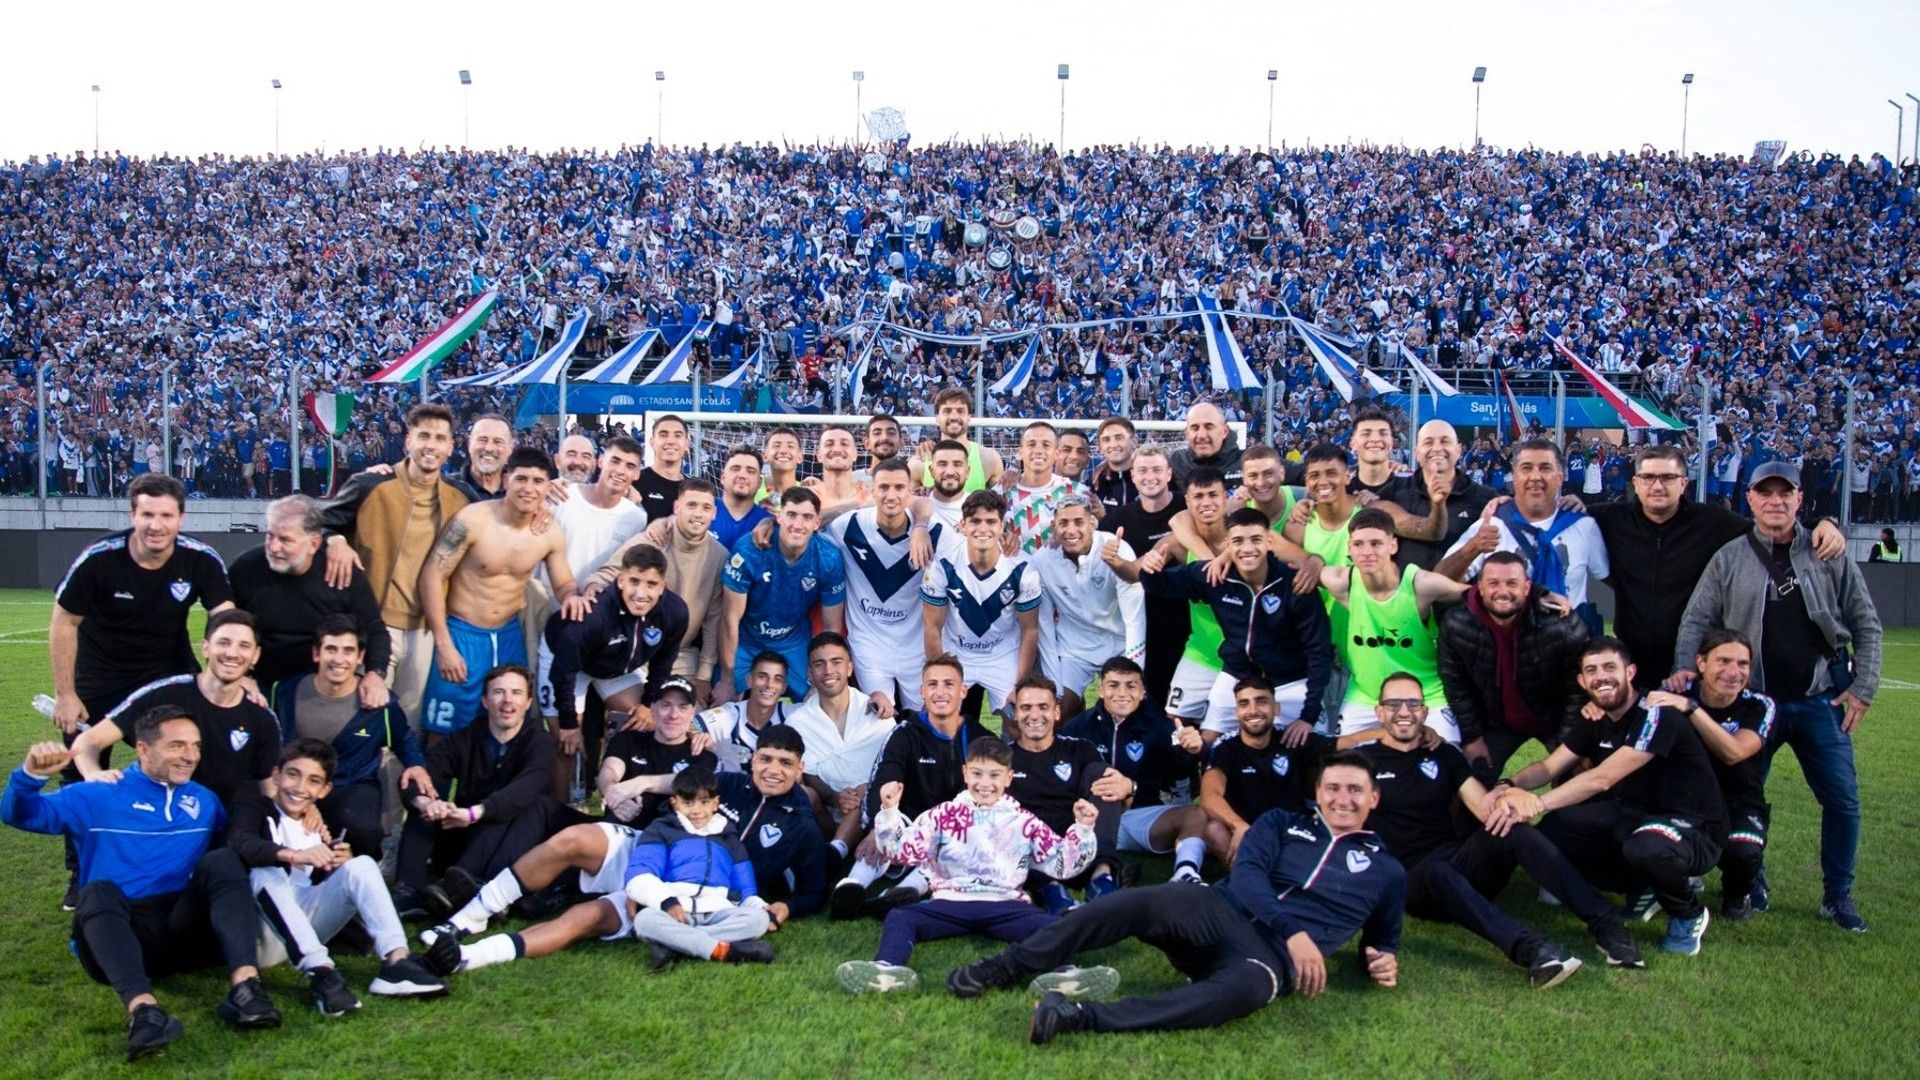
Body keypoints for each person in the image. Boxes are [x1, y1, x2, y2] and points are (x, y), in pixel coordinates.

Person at [945, 752, 1403, 1043]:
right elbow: (1246, 879)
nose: (1342, 799)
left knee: (1245, 990)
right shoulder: (1282, 822)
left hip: (1265, 960)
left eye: (1354, 790)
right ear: (1319, 793)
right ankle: (1000, 969)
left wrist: (1379, 960)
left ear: (1375, 798)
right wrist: (1296, 930)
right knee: (1135, 902)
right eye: (1333, 788)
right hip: (1217, 912)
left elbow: (1381, 941)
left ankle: (1078, 1017)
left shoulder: (1387, 871)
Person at [1669, 461, 1881, 932]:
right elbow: (1696, 620)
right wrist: (1687, 672)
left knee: (1843, 800)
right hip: (1752, 704)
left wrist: (1862, 688)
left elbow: (1866, 624)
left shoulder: (1829, 552)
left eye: (1784, 492)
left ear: (1800, 499)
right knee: (1743, 796)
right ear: (1751, 499)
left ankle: (1837, 895)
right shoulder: (1729, 557)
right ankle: (1750, 880)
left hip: (1819, 700)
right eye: (1765, 492)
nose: (1775, 501)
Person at [3, 708, 281, 1059]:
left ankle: (246, 990)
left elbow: (240, 846)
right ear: (143, 750)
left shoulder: (203, 800)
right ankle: (144, 1012)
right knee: (96, 892)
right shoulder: (99, 794)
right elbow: (19, 814)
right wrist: (28, 775)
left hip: (183, 933)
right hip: (120, 940)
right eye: (177, 745)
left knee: (223, 860)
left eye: (195, 746)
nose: (190, 755)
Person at [426, 726, 820, 962]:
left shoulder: (801, 822)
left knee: (582, 921)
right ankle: (468, 917)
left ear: (800, 768)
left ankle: (467, 957)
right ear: (753, 760)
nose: (773, 770)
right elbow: (674, 783)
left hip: (699, 895)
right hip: (652, 855)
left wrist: (787, 906)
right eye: (766, 759)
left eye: (785, 763)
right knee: (573, 838)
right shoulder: (730, 783)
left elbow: (816, 886)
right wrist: (640, 783)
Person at [1356, 672, 1640, 985]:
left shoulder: (1444, 753)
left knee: (1511, 828)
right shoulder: (1361, 763)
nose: (1404, 711)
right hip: (1411, 881)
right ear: (1379, 712)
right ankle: (1535, 951)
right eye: (1394, 704)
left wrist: (1512, 801)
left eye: (1413, 703)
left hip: (1456, 860)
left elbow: (1482, 807)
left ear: (1425, 711)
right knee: (1437, 872)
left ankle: (1606, 924)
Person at [49, 472, 235, 906]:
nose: (157, 525)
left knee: (192, 760)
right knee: (81, 771)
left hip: (167, 677)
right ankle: (81, 873)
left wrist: (236, 678)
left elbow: (226, 618)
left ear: (181, 517)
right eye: (147, 514)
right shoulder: (99, 560)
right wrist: (66, 694)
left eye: (166, 515)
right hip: (98, 681)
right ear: (132, 515)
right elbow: (64, 622)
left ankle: (191, 858)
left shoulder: (200, 560)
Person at [1486, 638, 1726, 957]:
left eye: (1610, 668)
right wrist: (1509, 783)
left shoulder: (1656, 714)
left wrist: (1537, 803)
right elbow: (1549, 765)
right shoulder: (1595, 716)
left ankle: (1688, 913)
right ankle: (1643, 886)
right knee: (1550, 834)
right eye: (1592, 671)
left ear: (1630, 672)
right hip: (1631, 815)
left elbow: (1603, 778)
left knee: (1646, 847)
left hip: (1693, 825)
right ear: (1582, 681)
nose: (1601, 677)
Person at [835, 736, 1102, 995]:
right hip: (951, 902)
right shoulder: (942, 814)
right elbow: (903, 851)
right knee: (900, 916)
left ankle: (1066, 974)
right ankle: (887, 968)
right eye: (977, 774)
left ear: (1009, 777)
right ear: (965, 773)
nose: (985, 783)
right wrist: (890, 812)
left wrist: (1083, 828)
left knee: (1053, 927)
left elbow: (1061, 863)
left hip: (1006, 905)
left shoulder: (1023, 821)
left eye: (994, 775)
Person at [1586, 444, 1844, 691]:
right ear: (1636, 483)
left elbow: (1770, 531)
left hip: (1695, 667)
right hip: (1633, 664)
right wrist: (1571, 506)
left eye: (1667, 477)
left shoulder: (1712, 522)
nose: (1657, 485)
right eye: (1648, 477)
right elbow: (1555, 519)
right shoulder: (1611, 518)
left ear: (1684, 483)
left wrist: (1824, 522)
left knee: (1696, 736)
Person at [227, 740, 448, 1015]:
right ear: (276, 775)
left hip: (306, 924)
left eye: (313, 781)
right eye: (293, 774)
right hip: (262, 933)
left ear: (324, 790)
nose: (299, 788)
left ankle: (397, 961)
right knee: (267, 872)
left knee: (362, 864)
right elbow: (241, 842)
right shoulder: (256, 808)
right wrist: (295, 855)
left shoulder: (317, 824)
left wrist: (337, 863)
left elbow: (319, 881)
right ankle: (322, 974)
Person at [418, 447, 591, 735]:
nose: (529, 488)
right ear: (506, 480)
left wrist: (572, 597)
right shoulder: (473, 519)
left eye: (538, 482)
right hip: (462, 633)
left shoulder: (549, 531)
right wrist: (444, 643)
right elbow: (432, 576)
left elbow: (563, 582)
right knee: (443, 729)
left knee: (508, 725)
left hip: (509, 634)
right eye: (521, 479)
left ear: (548, 486)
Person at [320, 402, 470, 722]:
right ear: (408, 441)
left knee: (407, 725)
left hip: (424, 629)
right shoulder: (369, 485)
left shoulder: (461, 497)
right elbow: (319, 524)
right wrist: (334, 539)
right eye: (424, 436)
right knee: (362, 719)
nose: (431, 445)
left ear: (450, 447)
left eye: (440, 438)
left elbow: (502, 512)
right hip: (373, 624)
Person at [1135, 507, 1333, 741]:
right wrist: (1150, 569)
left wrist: (1308, 716)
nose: (1247, 549)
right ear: (1228, 544)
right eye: (1238, 541)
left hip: (1290, 679)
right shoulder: (1217, 575)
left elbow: (1319, 651)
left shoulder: (1294, 584)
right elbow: (1160, 585)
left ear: (1269, 541)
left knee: (1312, 749)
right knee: (1207, 743)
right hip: (1237, 675)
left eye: (1256, 540)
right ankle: (1192, 777)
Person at [393, 664, 562, 921]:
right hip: (462, 836)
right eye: (498, 692)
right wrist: (426, 802)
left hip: (511, 841)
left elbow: (527, 786)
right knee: (425, 805)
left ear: (528, 702)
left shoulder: (539, 741)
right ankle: (408, 892)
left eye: (516, 693)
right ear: (485, 700)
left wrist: (475, 813)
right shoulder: (465, 737)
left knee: (523, 804)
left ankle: (465, 889)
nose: (507, 701)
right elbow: (421, 775)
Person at [834, 655, 998, 917]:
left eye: (949, 684)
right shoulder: (905, 733)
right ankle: (850, 887)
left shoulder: (981, 739)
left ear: (963, 691)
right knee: (886, 828)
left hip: (951, 829)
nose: (940, 692)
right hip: (909, 823)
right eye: (932, 685)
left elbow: (991, 798)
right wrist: (876, 828)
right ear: (922, 692)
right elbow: (883, 780)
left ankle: (903, 892)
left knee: (961, 837)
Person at [71, 610, 281, 812]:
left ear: (255, 655)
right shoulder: (164, 694)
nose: (232, 653)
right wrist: (92, 773)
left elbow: (270, 790)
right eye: (223, 643)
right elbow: (88, 741)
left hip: (221, 828)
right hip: (160, 822)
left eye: (244, 646)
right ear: (206, 648)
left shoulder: (262, 718)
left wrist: (304, 812)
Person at [271, 616, 432, 857]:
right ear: (316, 653)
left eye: (348, 651)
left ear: (359, 657)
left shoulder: (380, 703)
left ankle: (358, 865)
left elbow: (403, 738)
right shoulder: (284, 692)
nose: (339, 659)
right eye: (331, 649)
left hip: (350, 785)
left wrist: (416, 764)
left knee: (362, 827)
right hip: (296, 783)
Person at [527, 435, 648, 743]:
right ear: (601, 462)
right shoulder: (561, 498)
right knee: (558, 731)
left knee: (635, 717)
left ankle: (605, 784)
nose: (620, 470)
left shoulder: (636, 517)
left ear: (637, 474)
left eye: (630, 465)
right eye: (615, 461)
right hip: (552, 624)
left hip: (603, 634)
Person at [1648, 629, 1776, 920]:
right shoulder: (1675, 694)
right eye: (1723, 661)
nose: (1733, 672)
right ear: (1701, 663)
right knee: (1654, 843)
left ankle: (1737, 892)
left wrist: (1691, 709)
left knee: (1744, 853)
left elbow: (1733, 752)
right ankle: (1679, 883)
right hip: (1685, 801)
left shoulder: (1760, 704)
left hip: (1739, 801)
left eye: (1742, 664)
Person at [1436, 551, 1588, 784]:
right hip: (1496, 721)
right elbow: (1455, 683)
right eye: (1493, 583)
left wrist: (1569, 744)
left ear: (1527, 588)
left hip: (1555, 718)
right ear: (1480, 587)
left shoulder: (1561, 624)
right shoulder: (1457, 622)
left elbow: (1577, 690)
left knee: (1578, 780)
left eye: (1512, 583)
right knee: (1470, 781)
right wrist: (1472, 737)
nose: (1503, 591)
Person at [1059, 657, 1210, 889]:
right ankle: (1103, 873)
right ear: (1100, 690)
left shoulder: (1157, 724)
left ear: (1142, 692)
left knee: (1195, 815)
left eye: (1131, 685)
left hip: (1139, 816)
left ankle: (1185, 873)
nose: (1122, 693)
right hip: (1092, 820)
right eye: (1113, 685)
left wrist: (1195, 748)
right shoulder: (1079, 728)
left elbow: (1181, 762)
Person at [542, 543, 688, 783]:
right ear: (620, 581)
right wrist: (568, 723)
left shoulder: (675, 612)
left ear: (663, 586)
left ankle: (622, 796)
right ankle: (558, 813)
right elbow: (562, 672)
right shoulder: (594, 615)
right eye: (634, 581)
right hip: (568, 664)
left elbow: (663, 663)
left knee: (650, 720)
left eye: (651, 584)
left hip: (616, 667)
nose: (641, 594)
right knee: (565, 742)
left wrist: (647, 703)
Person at [1320, 508, 1470, 740]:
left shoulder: (1419, 584)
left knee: (1447, 761)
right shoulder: (1343, 581)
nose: (1366, 552)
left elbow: (1477, 596)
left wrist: (1536, 595)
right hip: (1366, 695)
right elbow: (1301, 567)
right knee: (1344, 766)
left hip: (1425, 693)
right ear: (1349, 548)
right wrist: (1312, 561)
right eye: (1358, 544)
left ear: (1393, 545)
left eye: (1376, 543)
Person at [825, 456, 955, 712]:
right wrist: (768, 522)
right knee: (880, 718)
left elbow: (970, 557)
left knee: (921, 721)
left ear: (911, 492)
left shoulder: (936, 532)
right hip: (869, 645)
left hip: (916, 647)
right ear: (873, 491)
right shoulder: (848, 526)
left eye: (899, 488)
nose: (891, 495)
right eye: (883, 487)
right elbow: (807, 527)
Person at [1440, 438, 1609, 632]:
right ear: (1514, 475)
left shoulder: (1584, 525)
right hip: (1510, 646)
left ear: (1561, 476)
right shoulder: (1493, 524)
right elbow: (1440, 583)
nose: (1535, 476)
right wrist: (1472, 547)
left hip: (1570, 648)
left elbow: (1608, 576)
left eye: (1545, 468)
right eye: (1526, 468)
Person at [228, 494, 388, 697]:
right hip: (257, 686)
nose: (274, 547)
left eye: (285, 540)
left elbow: (375, 631)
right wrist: (240, 678)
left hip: (324, 690)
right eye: (270, 535)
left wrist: (375, 674)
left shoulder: (344, 571)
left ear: (314, 544)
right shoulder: (245, 568)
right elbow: (222, 629)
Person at [1001, 677, 1134, 912]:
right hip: (1030, 856)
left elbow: (1115, 799)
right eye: (1025, 707)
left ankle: (1101, 879)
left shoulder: (1079, 749)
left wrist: (1128, 785)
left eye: (1043, 707)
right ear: (1015, 713)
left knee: (1103, 775)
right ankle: (1051, 890)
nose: (1034, 715)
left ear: (1057, 712)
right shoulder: (1002, 758)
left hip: (1078, 846)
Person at [591, 479, 728, 702]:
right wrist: (591, 590)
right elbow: (608, 573)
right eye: (691, 505)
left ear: (714, 513)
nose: (698, 514)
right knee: (641, 718)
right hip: (635, 651)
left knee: (690, 722)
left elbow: (714, 619)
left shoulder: (719, 556)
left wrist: (703, 675)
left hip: (682, 656)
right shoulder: (653, 539)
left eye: (705, 508)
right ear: (676, 508)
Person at [717, 486, 847, 702]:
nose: (798, 524)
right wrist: (726, 679)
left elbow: (831, 626)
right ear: (779, 517)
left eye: (806, 517)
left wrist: (820, 679)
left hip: (794, 641)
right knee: (729, 700)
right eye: (791, 515)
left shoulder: (828, 557)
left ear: (817, 523)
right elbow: (730, 619)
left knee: (814, 701)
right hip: (748, 641)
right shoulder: (749, 550)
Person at [920, 490, 1041, 717]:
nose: (983, 529)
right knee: (941, 718)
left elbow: (1030, 631)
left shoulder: (1023, 568)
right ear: (963, 525)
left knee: (1019, 721)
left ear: (1001, 525)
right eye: (975, 521)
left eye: (991, 521)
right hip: (956, 653)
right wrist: (938, 677)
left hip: (1002, 654)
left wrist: (1021, 684)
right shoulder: (942, 565)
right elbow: (932, 627)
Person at [1199, 677, 1340, 861]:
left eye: (1261, 701)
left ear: (1276, 708)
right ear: (1236, 712)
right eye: (1244, 704)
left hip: (1294, 831)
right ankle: (1248, 877)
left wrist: (1386, 733)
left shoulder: (1291, 737)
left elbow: (1348, 742)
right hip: (1249, 834)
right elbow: (1209, 796)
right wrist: (1239, 826)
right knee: (1213, 830)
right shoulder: (1226, 746)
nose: (1253, 710)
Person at [785, 633, 897, 864]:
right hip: (826, 815)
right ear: (809, 672)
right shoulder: (798, 722)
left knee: (868, 787)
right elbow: (808, 773)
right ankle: (828, 848)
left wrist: (862, 793)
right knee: (805, 794)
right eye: (819, 664)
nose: (828, 670)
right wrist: (835, 797)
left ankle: (836, 853)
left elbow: (894, 768)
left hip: (875, 814)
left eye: (836, 662)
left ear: (849, 668)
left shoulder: (878, 713)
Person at [1033, 495, 1144, 716]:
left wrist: (1135, 673)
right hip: (1074, 650)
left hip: (1119, 644)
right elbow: (1044, 625)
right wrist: (1054, 685)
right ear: (1054, 526)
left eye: (1078, 522)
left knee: (1127, 711)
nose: (1071, 530)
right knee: (1057, 714)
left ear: (1092, 523)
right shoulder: (1042, 561)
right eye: (1063, 523)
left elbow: (1135, 618)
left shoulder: (1115, 548)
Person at [1097, 444, 1186, 706]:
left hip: (1187, 619)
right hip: (1142, 623)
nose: (1150, 476)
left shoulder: (1187, 507)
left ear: (1169, 474)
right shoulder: (1116, 520)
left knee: (1187, 702)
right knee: (1151, 699)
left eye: (1157, 469)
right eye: (1142, 470)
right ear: (1133, 476)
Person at [599, 676, 719, 827]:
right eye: (666, 705)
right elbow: (609, 770)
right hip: (619, 829)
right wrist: (613, 793)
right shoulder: (628, 739)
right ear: (653, 709)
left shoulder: (702, 753)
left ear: (692, 713)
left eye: (683, 707)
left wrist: (642, 783)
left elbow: (696, 784)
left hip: (669, 838)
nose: (673, 715)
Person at [1383, 420, 1500, 571]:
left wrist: (1506, 503)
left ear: (1458, 450)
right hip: (1407, 593)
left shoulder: (1486, 498)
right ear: (1416, 452)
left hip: (1461, 593)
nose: (1437, 448)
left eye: (1445, 441)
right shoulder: (1392, 493)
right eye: (1428, 442)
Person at [1001, 422, 1098, 555]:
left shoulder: (1079, 493)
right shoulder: (1002, 491)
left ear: (1056, 453)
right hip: (1015, 573)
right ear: (1021, 451)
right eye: (1031, 444)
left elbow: (1093, 539)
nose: (1039, 451)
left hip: (1059, 574)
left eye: (1046, 445)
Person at [696, 652, 792, 769]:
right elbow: (690, 724)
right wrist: (698, 737)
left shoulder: (792, 715)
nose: (769, 684)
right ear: (749, 680)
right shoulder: (730, 713)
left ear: (784, 688)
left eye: (777, 679)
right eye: (762, 677)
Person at [908, 387, 1005, 493]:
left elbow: (999, 505)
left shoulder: (989, 459)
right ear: (937, 417)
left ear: (969, 417)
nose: (954, 416)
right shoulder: (919, 463)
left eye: (960, 411)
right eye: (947, 411)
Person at [1167, 401, 1244, 490]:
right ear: (1187, 433)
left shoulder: (1244, 462)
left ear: (1225, 431)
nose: (1202, 435)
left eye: (1209, 427)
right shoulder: (1177, 462)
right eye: (1195, 428)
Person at [633, 414, 689, 522]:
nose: (670, 441)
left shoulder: (693, 489)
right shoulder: (635, 481)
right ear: (652, 442)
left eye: (678, 435)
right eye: (663, 435)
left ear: (687, 444)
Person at [446, 414, 512, 501]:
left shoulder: (522, 493)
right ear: (469, 443)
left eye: (498, 442)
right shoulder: (444, 489)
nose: (489, 448)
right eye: (482, 440)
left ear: (510, 448)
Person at [806, 426, 869, 513]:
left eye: (844, 444)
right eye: (829, 444)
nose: (837, 450)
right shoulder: (806, 496)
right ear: (819, 455)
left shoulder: (871, 495)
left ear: (855, 454)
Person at [1087, 417, 1139, 510]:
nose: (1113, 445)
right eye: (1106, 440)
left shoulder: (1148, 479)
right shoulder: (1093, 485)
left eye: (1119, 438)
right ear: (1100, 447)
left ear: (1134, 441)